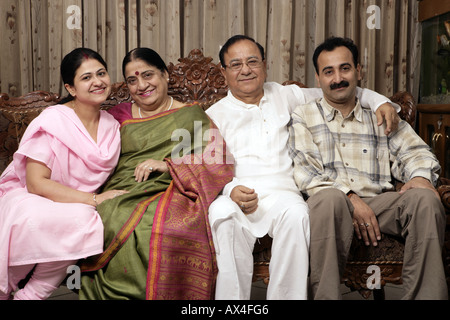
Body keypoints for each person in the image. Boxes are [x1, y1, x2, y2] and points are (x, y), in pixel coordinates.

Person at [205, 34, 401, 300]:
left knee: (298, 215)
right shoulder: (212, 115)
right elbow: (207, 169)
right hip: (238, 194)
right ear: (223, 71)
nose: (246, 70)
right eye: (236, 64)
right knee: (220, 212)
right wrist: (230, 190)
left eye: (252, 61)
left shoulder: (286, 95)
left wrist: (380, 101)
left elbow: (339, 89)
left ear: (265, 64)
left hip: (284, 194)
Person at [288, 36, 447, 299]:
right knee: (329, 199)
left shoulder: (381, 113)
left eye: (345, 68)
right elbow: (307, 172)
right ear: (318, 79)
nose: (338, 77)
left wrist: (420, 177)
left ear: (358, 71)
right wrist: (350, 199)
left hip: (380, 204)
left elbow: (416, 151)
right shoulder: (303, 115)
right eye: (329, 72)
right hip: (330, 204)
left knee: (425, 199)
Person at [79, 47, 234, 300]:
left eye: (148, 75)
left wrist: (168, 165)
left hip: (173, 189)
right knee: (113, 213)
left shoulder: (190, 114)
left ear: (165, 75)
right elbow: (87, 150)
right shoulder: (117, 117)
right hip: (120, 190)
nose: (141, 85)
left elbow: (219, 160)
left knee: (156, 225)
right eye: (132, 80)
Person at [0, 48, 125, 300]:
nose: (97, 81)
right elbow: (35, 183)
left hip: (74, 204)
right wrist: (94, 199)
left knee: (81, 218)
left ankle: (32, 295)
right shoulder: (54, 120)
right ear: (71, 88)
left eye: (101, 73)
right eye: (86, 77)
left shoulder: (113, 125)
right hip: (32, 196)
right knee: (59, 217)